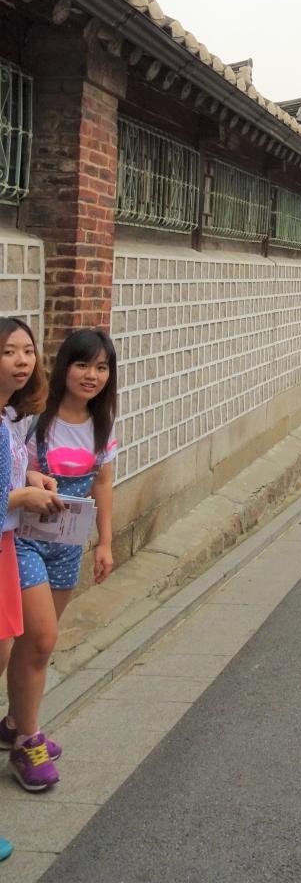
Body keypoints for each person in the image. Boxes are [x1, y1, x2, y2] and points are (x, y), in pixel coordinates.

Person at [5, 329, 118, 793]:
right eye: (82, 365)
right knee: (42, 636)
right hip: (25, 540)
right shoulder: (34, 419)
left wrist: (105, 542)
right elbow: (14, 473)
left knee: (37, 645)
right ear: (64, 367)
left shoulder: (103, 424)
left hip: (68, 546)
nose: (91, 376)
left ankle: (16, 722)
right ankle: (27, 743)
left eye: (102, 368)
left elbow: (103, 484)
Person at [0, 318, 62, 801]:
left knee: (38, 638)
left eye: (27, 350)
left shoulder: (9, 417)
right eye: (8, 352)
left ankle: (23, 732)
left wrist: (29, 480)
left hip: (10, 546)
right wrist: (22, 497)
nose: (22, 361)